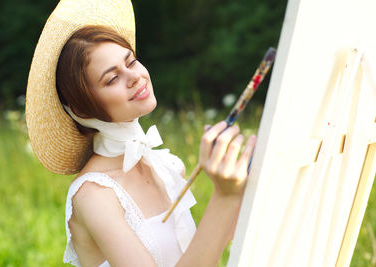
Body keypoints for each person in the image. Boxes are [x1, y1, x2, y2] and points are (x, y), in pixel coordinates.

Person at [25, 1, 256, 266]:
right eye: (111, 79)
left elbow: (205, 251)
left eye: (131, 61)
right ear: (81, 108)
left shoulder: (167, 166)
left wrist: (243, 182)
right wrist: (224, 196)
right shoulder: (94, 195)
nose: (134, 77)